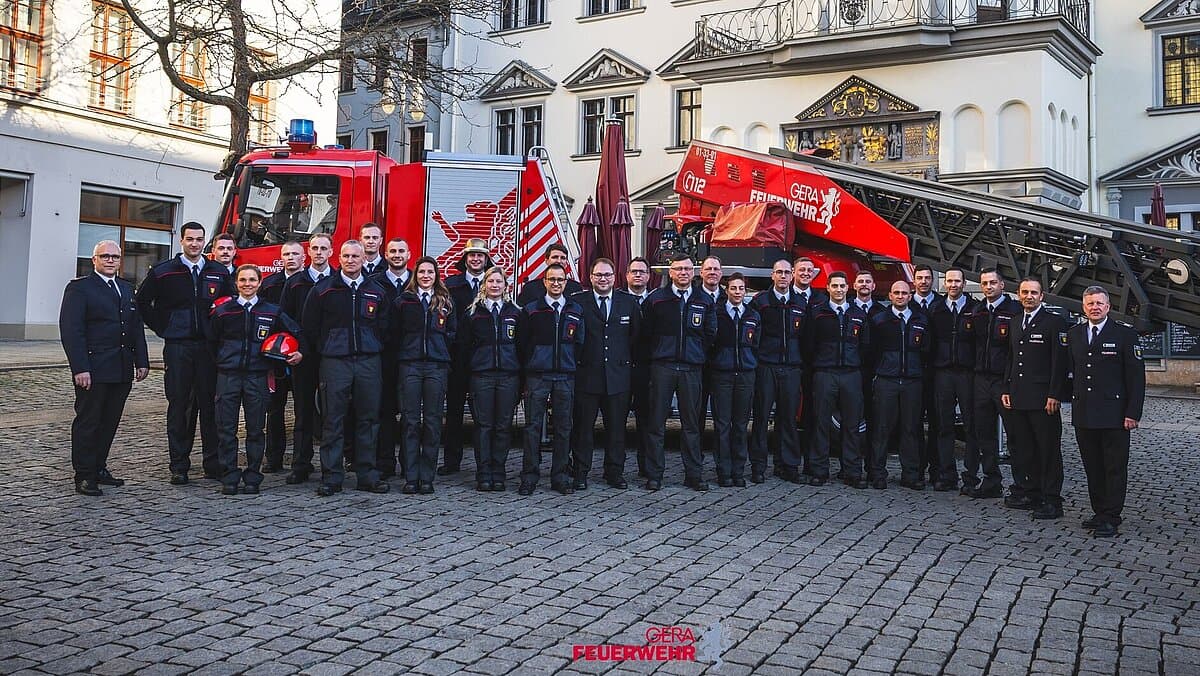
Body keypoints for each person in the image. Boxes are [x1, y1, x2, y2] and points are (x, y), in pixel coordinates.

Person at [136, 221, 232, 484]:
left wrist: (218, 332)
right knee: (180, 406)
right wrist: (163, 326)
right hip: (179, 348)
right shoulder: (163, 272)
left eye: (199, 239)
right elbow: (142, 302)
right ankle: (179, 465)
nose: (195, 244)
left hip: (209, 348)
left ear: (205, 242)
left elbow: (230, 304)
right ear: (181, 241)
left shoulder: (218, 272)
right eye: (190, 239)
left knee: (211, 407)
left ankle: (213, 464)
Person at [59, 240, 150, 496]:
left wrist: (141, 360)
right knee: (89, 422)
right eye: (105, 256)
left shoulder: (126, 288)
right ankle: (84, 475)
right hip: (94, 368)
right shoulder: (80, 289)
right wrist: (80, 368)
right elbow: (72, 331)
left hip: (121, 368)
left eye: (115, 257)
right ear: (94, 260)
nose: (110, 261)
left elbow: (135, 327)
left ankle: (99, 467)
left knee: (110, 421)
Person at [301, 240, 391, 496]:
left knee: (368, 419)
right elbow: (310, 326)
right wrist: (328, 347)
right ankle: (331, 476)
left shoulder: (377, 290)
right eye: (346, 256)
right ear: (338, 257)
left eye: (355, 256)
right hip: (334, 361)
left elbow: (385, 326)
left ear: (364, 258)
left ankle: (367, 474)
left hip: (368, 361)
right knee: (333, 420)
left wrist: (371, 345)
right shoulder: (323, 290)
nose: (351, 260)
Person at [207, 265, 303, 495]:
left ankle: (253, 476)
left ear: (260, 283)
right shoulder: (223, 311)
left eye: (252, 280)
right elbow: (211, 342)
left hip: (257, 377)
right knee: (226, 429)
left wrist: (298, 353)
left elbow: (296, 332)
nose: (247, 284)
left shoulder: (272, 312)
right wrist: (222, 362)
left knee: (256, 429)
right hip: (228, 376)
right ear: (236, 283)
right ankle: (229, 476)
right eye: (243, 280)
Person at [1067, 286, 1145, 538]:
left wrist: (1132, 413)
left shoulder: (1124, 334)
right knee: (1093, 466)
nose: (1095, 307)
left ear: (1108, 307)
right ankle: (1099, 511)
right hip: (1085, 413)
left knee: (1114, 467)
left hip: (1114, 415)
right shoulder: (1075, 334)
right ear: (1083, 307)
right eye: (1090, 303)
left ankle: (1112, 515)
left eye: (1099, 303)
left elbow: (1136, 378)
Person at [642, 253, 717, 491]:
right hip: (662, 367)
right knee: (656, 423)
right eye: (678, 269)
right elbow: (646, 333)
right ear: (670, 273)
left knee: (692, 425)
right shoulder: (656, 300)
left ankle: (693, 474)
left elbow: (710, 333)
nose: (683, 273)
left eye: (687, 269)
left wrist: (695, 353)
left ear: (693, 273)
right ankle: (654, 475)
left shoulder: (704, 300)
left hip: (690, 368)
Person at [1001, 277, 1069, 520]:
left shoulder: (1054, 323)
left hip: (1043, 399)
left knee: (1048, 450)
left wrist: (1054, 394)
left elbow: (1059, 364)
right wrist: (1006, 388)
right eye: (1024, 292)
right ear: (1018, 295)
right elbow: (1011, 358)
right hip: (1018, 396)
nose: (1028, 296)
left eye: (1033, 292)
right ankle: (1032, 492)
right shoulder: (1016, 321)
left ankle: (1052, 499)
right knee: (1024, 449)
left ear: (1042, 296)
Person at [571, 258, 640, 490]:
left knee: (617, 430)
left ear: (614, 277)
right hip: (587, 376)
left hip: (618, 377)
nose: (603, 279)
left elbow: (635, 337)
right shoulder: (579, 302)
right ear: (590, 277)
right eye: (598, 275)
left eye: (607, 275)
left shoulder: (628, 303)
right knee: (583, 429)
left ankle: (614, 473)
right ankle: (580, 472)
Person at [517, 263, 585, 495]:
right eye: (552, 279)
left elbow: (580, 344)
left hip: (565, 376)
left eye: (560, 280)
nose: (556, 283)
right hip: (538, 376)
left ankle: (560, 476)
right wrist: (532, 365)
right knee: (532, 428)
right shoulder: (532, 310)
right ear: (544, 282)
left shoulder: (575, 310)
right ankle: (529, 477)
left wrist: (570, 364)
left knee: (564, 428)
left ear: (566, 283)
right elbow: (522, 343)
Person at [391, 256, 456, 495]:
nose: (426, 276)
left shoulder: (446, 302)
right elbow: (393, 332)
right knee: (410, 421)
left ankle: (427, 477)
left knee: (432, 421)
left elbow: (453, 332)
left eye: (430, 272)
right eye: (421, 272)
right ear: (415, 275)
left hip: (437, 367)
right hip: (410, 366)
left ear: (436, 275)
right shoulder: (403, 301)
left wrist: (441, 351)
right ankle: (410, 476)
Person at [806, 271, 870, 487]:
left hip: (851, 374)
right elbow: (809, 345)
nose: (839, 290)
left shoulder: (858, 314)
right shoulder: (817, 314)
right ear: (828, 288)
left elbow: (865, 346)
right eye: (835, 286)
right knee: (821, 424)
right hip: (825, 373)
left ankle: (852, 472)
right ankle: (819, 471)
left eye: (842, 286)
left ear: (848, 288)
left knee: (851, 426)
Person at [461, 266, 521, 491]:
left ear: (506, 286)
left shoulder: (515, 313)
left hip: (508, 376)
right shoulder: (472, 314)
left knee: (503, 426)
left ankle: (499, 471)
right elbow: (464, 349)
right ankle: (483, 472)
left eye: (499, 281)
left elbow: (522, 347)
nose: (495, 285)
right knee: (484, 426)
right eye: (491, 281)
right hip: (481, 376)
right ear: (484, 285)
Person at [281, 234, 335, 484]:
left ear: (331, 252)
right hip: (302, 356)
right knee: (302, 412)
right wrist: (299, 342)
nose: (319, 253)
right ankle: (301, 465)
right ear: (308, 252)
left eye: (324, 248)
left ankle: (331, 465)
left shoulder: (338, 281)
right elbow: (284, 316)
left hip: (330, 356)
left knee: (333, 413)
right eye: (314, 248)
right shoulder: (295, 282)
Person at [868, 281, 931, 490]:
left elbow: (926, 350)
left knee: (911, 428)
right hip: (887, 380)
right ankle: (877, 473)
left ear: (910, 296)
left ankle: (911, 474)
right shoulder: (879, 320)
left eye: (905, 293)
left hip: (912, 381)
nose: (901, 296)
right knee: (881, 428)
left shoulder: (920, 320)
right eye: (896, 293)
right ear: (890, 295)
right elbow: (871, 350)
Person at [748, 258, 806, 484]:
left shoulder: (801, 303)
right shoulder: (760, 302)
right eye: (778, 272)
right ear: (772, 276)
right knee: (761, 418)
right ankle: (758, 466)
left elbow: (806, 338)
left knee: (788, 419)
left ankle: (788, 466)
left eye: (786, 273)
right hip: (766, 366)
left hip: (791, 367)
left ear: (792, 276)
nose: (783, 276)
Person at [440, 238, 494, 475]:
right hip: (457, 357)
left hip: (483, 359)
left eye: (480, 256)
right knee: (453, 413)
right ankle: (452, 462)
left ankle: (486, 462)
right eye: (471, 255)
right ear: (464, 259)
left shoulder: (494, 284)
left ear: (486, 259)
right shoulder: (451, 285)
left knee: (484, 414)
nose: (475, 259)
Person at [965, 267, 1018, 499]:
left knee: (1015, 434)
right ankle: (991, 480)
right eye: (984, 283)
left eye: (992, 283)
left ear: (1002, 285)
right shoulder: (977, 311)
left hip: (1004, 380)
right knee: (983, 432)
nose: (988, 287)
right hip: (981, 379)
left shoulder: (1014, 311)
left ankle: (1021, 484)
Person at [928, 267, 977, 491]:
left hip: (966, 374)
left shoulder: (974, 308)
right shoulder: (936, 309)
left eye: (957, 281)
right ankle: (946, 474)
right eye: (949, 281)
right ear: (944, 283)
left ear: (964, 283)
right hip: (943, 373)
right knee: (943, 425)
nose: (953, 284)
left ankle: (971, 476)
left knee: (970, 427)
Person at [259, 241, 306, 472]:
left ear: (303, 257)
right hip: (275, 356)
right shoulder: (269, 285)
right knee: (274, 408)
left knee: (302, 409)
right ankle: (273, 458)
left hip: (300, 354)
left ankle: (300, 461)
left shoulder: (310, 284)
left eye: (295, 254)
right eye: (286, 254)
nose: (290, 257)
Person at [710, 273, 759, 488]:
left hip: (745, 375)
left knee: (740, 425)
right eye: (733, 288)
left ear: (745, 291)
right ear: (726, 290)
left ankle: (738, 471)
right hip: (722, 375)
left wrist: (749, 363)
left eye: (741, 288)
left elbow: (756, 344)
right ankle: (723, 471)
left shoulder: (753, 315)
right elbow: (709, 341)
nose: (737, 292)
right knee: (722, 425)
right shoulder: (717, 313)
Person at [371, 237, 411, 480]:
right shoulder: (375, 283)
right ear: (385, 255)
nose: (397, 255)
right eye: (392, 251)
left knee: (409, 413)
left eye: (401, 251)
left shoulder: (419, 282)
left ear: (409, 254)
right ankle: (385, 462)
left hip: (411, 358)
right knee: (384, 411)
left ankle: (409, 464)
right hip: (384, 357)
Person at [911, 264, 944, 486]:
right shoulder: (905, 301)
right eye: (919, 277)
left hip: (937, 372)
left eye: (927, 277)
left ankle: (936, 469)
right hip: (913, 371)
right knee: (912, 423)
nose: (923, 281)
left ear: (932, 280)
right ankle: (916, 469)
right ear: (914, 280)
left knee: (937, 422)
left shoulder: (941, 304)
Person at [624, 257, 653, 479]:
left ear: (649, 276)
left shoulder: (655, 302)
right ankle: (616, 469)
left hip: (646, 371)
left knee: (646, 423)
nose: (638, 275)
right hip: (620, 371)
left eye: (642, 272)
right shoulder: (619, 301)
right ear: (626, 275)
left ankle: (646, 467)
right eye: (634, 271)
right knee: (616, 422)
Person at [516, 243, 583, 305]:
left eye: (563, 258)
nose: (559, 261)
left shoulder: (575, 288)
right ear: (546, 260)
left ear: (566, 262)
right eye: (555, 257)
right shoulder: (530, 288)